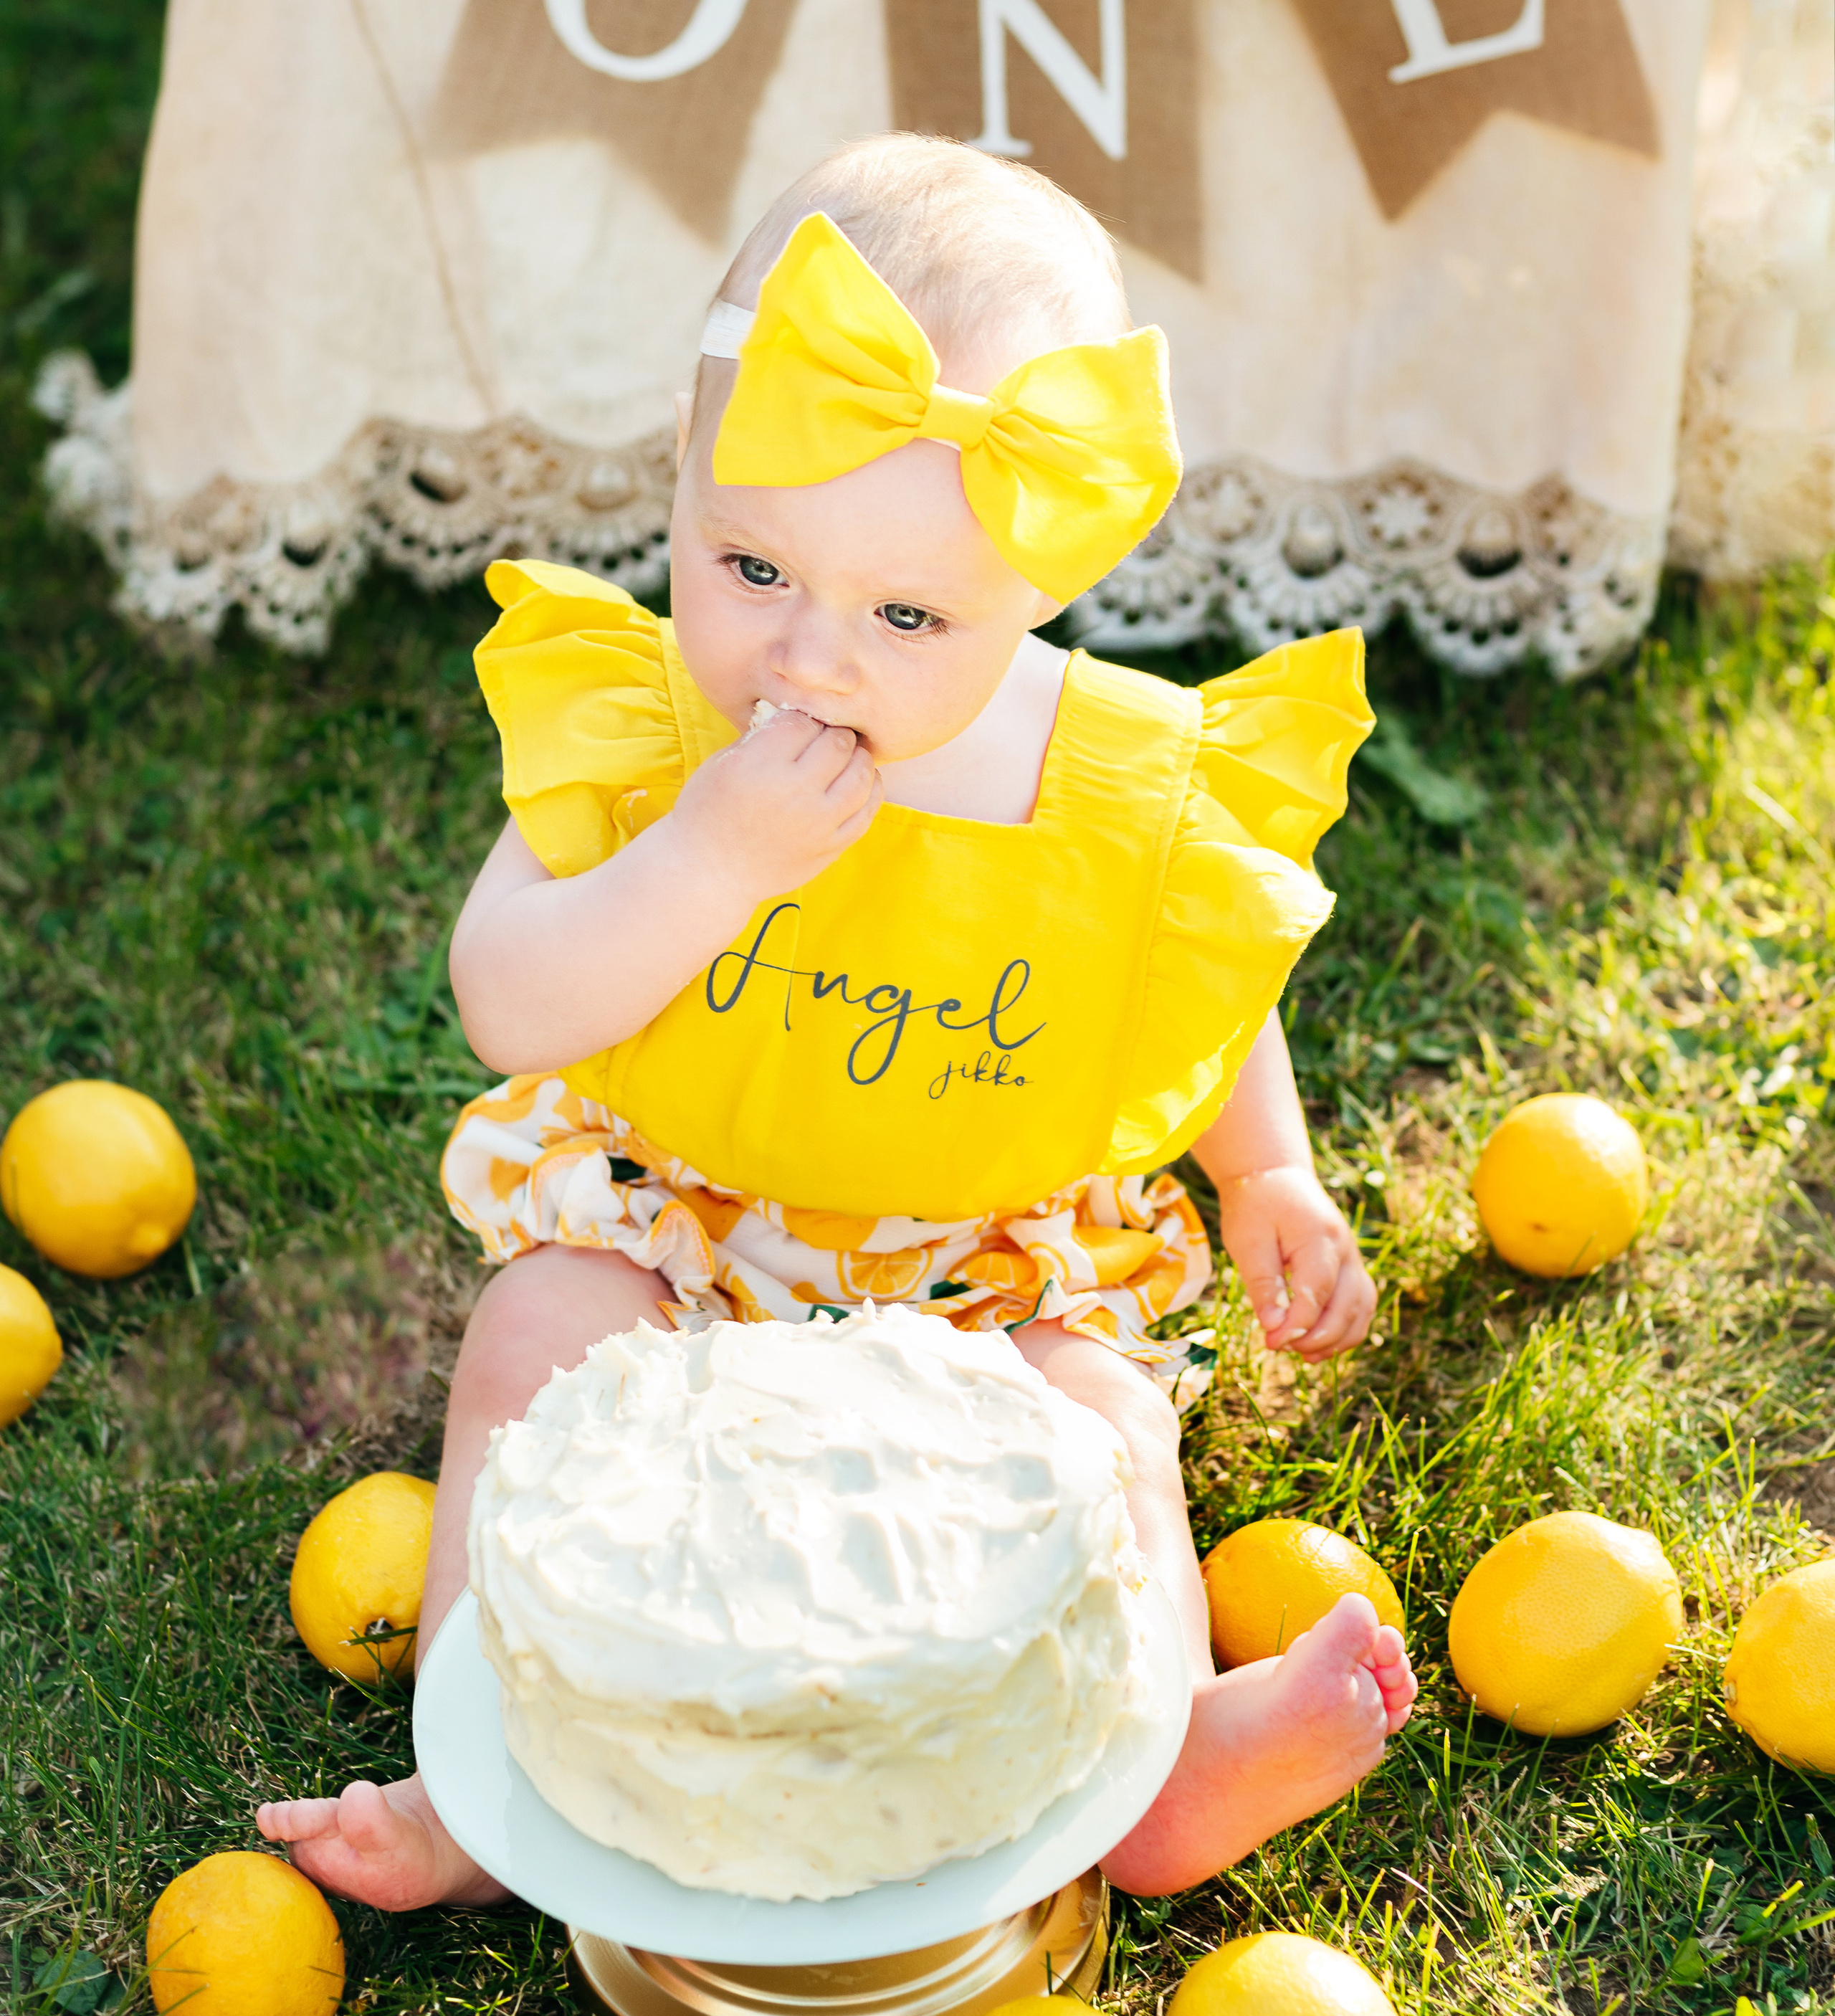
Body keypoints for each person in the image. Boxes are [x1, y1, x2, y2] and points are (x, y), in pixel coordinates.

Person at [257, 133, 1416, 1908]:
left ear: (1041, 586)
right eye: (748, 567)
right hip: (691, 1213)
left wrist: (1263, 1171)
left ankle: (1156, 1757)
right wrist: (709, 854)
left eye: (901, 613)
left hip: (984, 1251)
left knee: (1100, 1423)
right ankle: (482, 1769)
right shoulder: (647, 727)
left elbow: (1181, 981)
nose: (808, 658)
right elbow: (508, 997)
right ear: (680, 470)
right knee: (529, 1335)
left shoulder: (1106, 778)